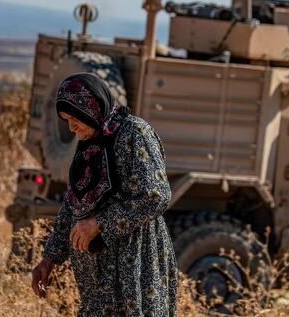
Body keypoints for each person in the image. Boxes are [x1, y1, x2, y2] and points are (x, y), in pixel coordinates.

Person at [31, 73, 178, 316]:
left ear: (93, 106)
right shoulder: (90, 143)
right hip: (98, 283)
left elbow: (156, 195)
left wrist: (100, 223)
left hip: (134, 271)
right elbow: (73, 204)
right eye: (66, 120)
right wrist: (50, 259)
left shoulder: (135, 134)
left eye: (75, 117)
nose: (72, 127)